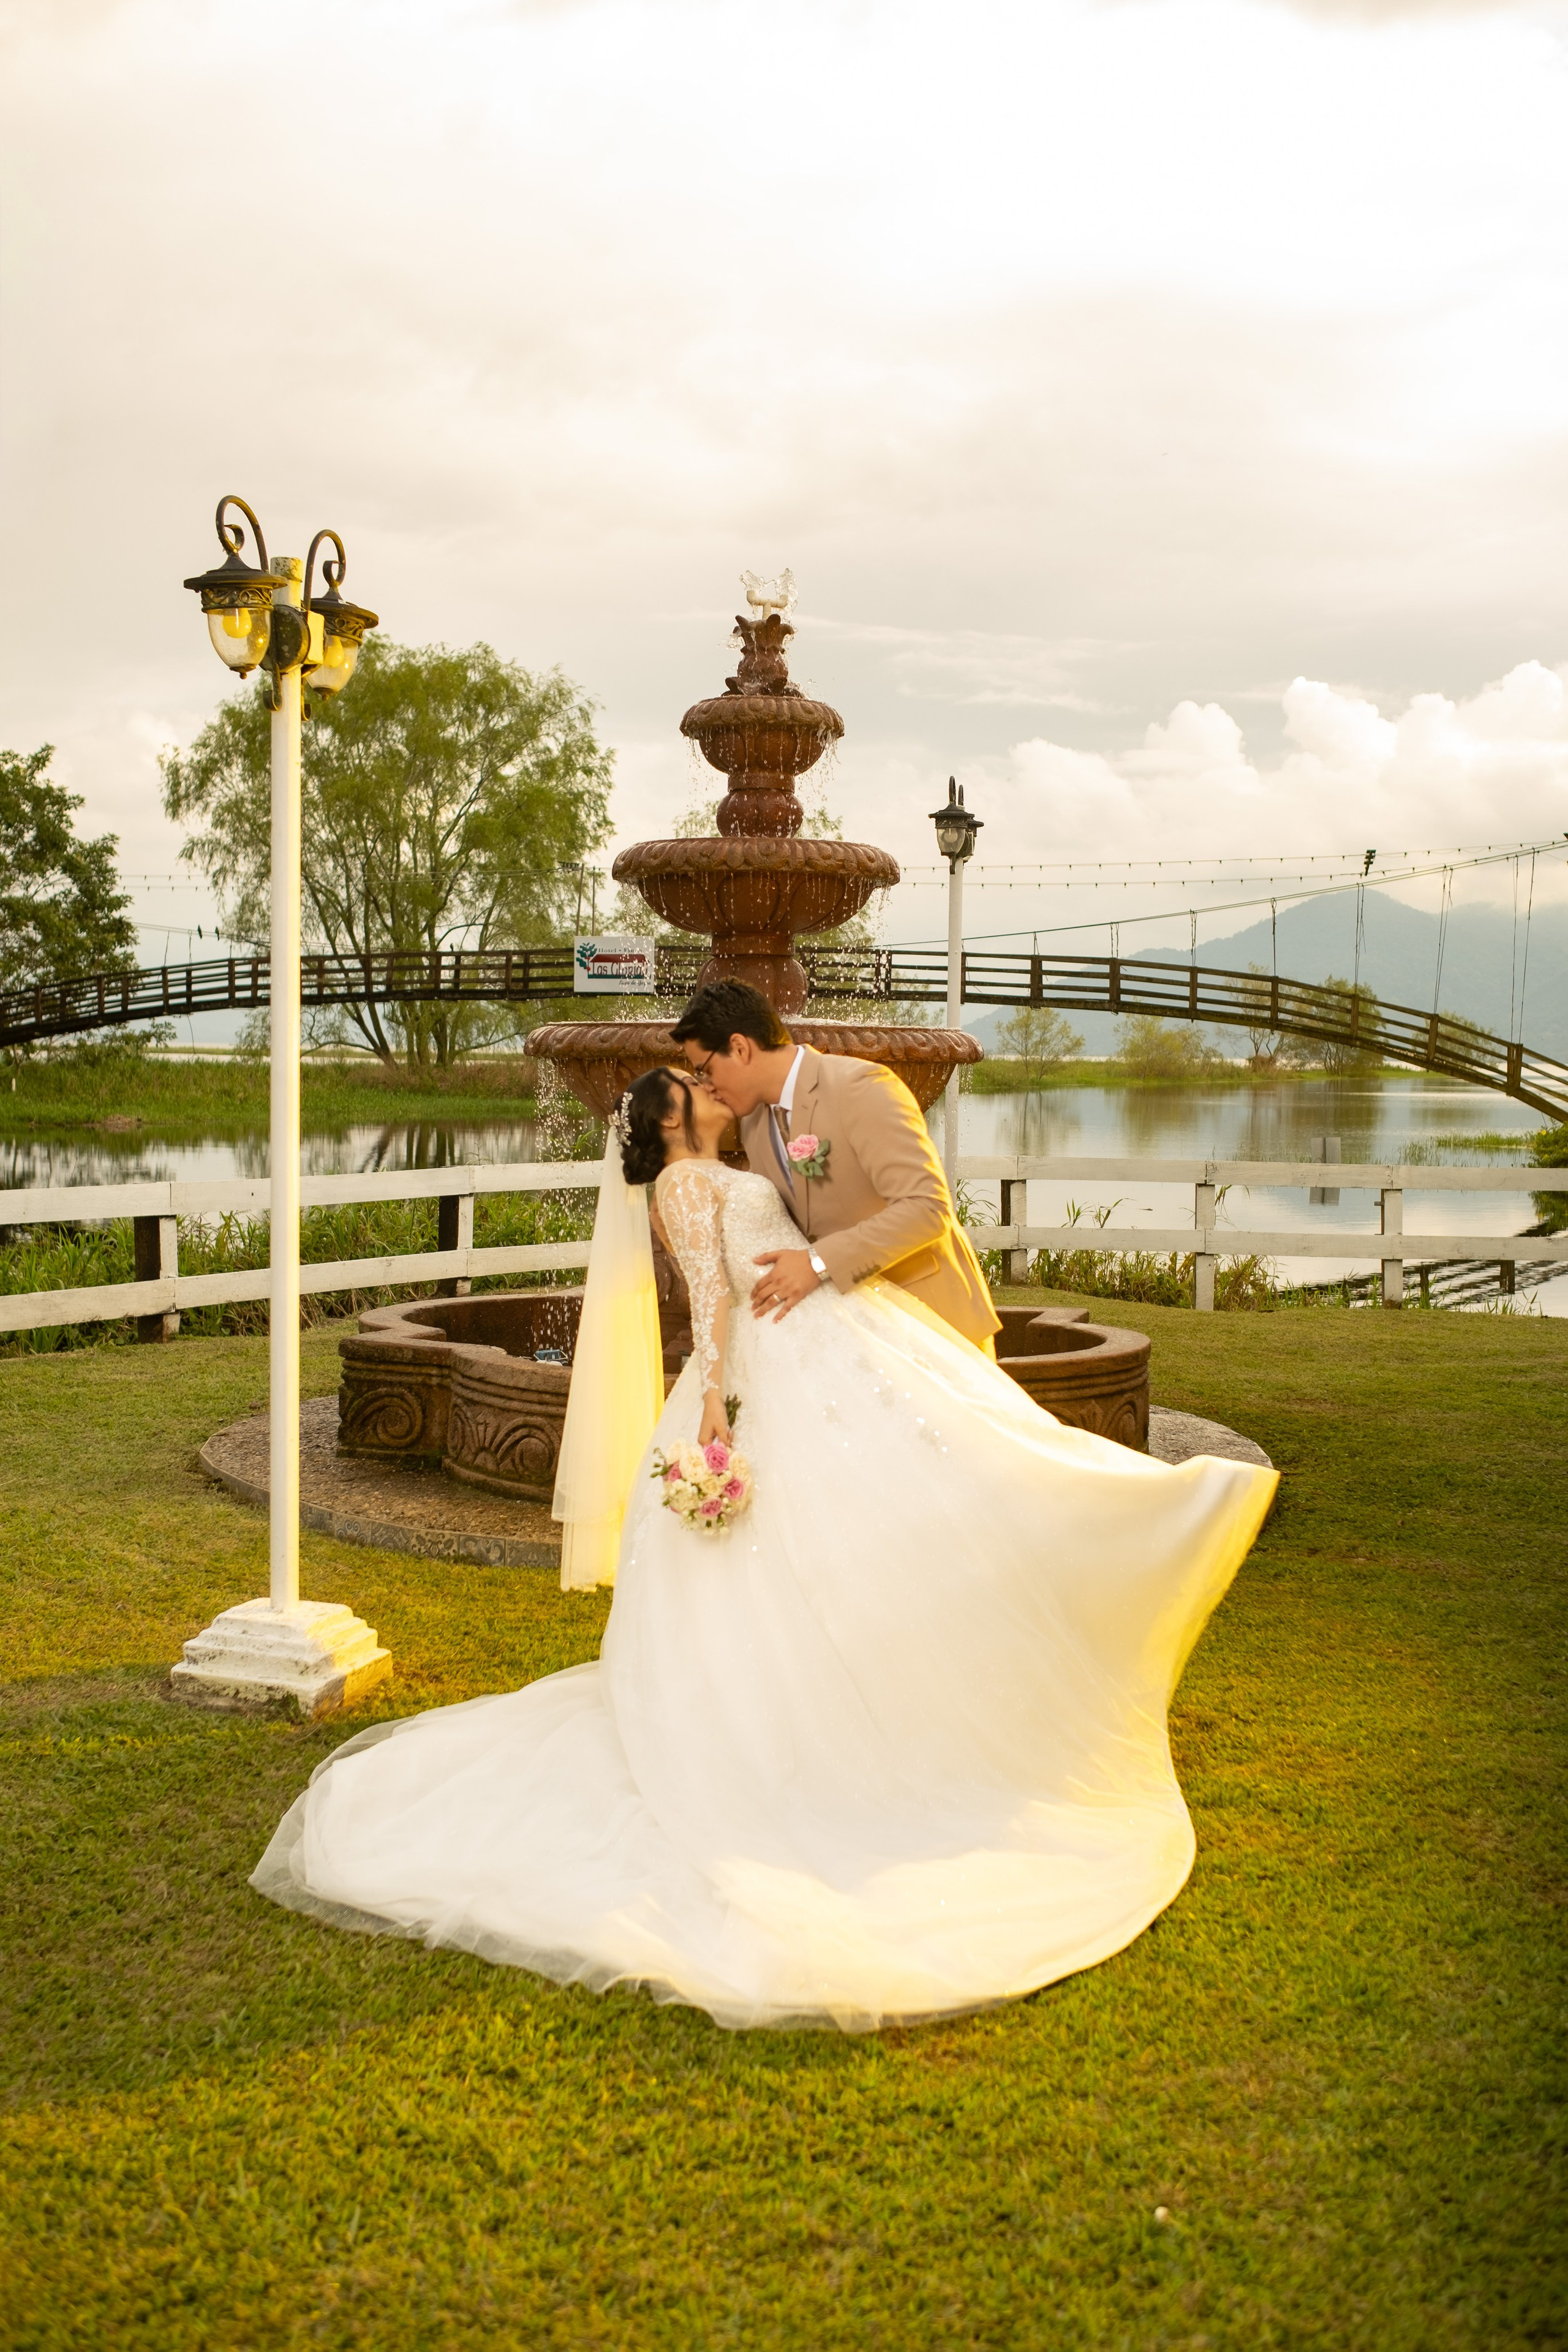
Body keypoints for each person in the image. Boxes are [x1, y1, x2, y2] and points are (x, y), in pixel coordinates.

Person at [252, 1066, 1276, 2032]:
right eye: (691, 1090)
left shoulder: (734, 1167)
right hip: (759, 1376)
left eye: (707, 1076)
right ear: (666, 1126)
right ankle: (794, 1716)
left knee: (925, 1485)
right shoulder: (688, 1189)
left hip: (830, 1340)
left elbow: (791, 1234)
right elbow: (709, 1297)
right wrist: (713, 1410)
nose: (706, 1090)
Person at [668, 978, 1000, 1355]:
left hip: (933, 1325)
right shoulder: (754, 1123)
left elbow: (927, 1209)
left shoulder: (859, 1086)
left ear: (740, 1048)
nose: (706, 1085)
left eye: (705, 1069)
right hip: (853, 1337)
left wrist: (818, 1261)